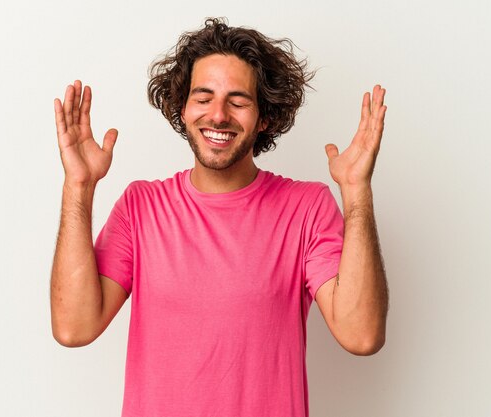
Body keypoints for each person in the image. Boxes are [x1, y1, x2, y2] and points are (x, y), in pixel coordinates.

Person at [51, 18, 388, 417]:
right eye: (204, 97)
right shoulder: (141, 206)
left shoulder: (306, 208)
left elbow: (362, 334)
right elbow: (74, 327)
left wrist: (356, 192)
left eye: (239, 101)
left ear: (264, 117)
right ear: (182, 107)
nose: (219, 115)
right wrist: (79, 186)